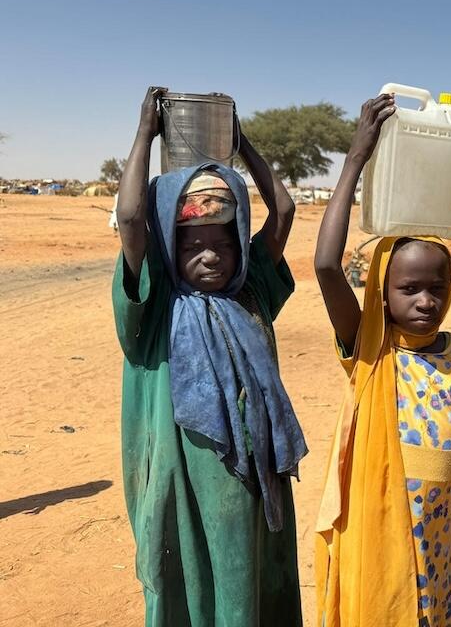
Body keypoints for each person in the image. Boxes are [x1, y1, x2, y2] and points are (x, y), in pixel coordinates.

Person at [112, 86, 306, 626]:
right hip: (183, 482)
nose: (210, 256)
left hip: (250, 475)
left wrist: (240, 146)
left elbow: (283, 209)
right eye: (192, 244)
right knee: (191, 582)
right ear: (169, 248)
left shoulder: (251, 291)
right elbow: (130, 220)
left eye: (222, 242)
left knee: (250, 583)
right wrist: (146, 134)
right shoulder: (156, 306)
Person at [314, 93, 451, 627]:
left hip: (438, 527)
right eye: (408, 288)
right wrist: (356, 159)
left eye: (437, 287)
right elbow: (325, 265)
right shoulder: (369, 350)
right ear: (382, 294)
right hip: (379, 520)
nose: (425, 300)